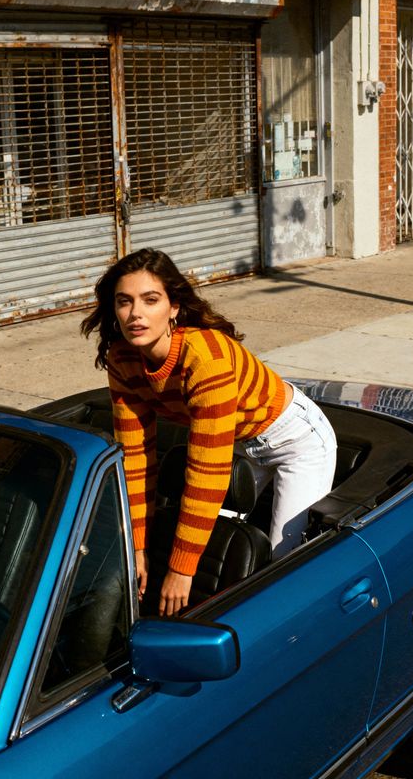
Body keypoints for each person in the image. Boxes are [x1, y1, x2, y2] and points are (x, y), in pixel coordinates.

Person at [81, 249, 337, 616]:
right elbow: (135, 457)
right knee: (218, 554)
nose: (135, 314)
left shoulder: (205, 357)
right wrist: (136, 548)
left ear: (173, 307)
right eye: (124, 302)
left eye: (150, 300)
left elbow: (207, 470)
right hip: (239, 445)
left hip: (295, 439)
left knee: (284, 564)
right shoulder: (122, 359)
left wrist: (179, 571)